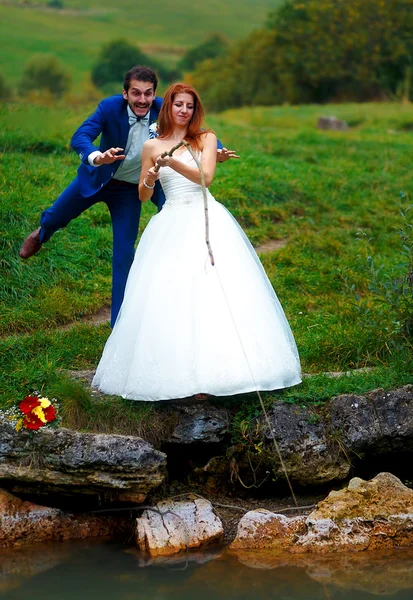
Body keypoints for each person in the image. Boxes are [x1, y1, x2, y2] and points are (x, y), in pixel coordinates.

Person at [92, 83, 301, 401]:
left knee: (215, 287)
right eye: (178, 105)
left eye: (189, 106)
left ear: (195, 110)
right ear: (169, 108)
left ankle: (229, 371)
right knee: (170, 292)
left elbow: (206, 178)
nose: (184, 111)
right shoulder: (151, 146)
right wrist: (149, 178)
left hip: (206, 217)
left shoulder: (206, 138)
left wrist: (173, 163)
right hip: (171, 218)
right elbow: (143, 194)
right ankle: (175, 375)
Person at [19, 66, 238, 327]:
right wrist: (97, 157)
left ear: (155, 94)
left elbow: (196, 129)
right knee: (56, 215)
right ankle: (42, 233)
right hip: (98, 178)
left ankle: (118, 325)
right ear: (125, 94)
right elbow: (81, 136)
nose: (142, 99)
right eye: (136, 93)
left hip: (132, 190)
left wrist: (220, 151)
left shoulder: (165, 108)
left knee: (124, 252)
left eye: (148, 94)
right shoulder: (108, 108)